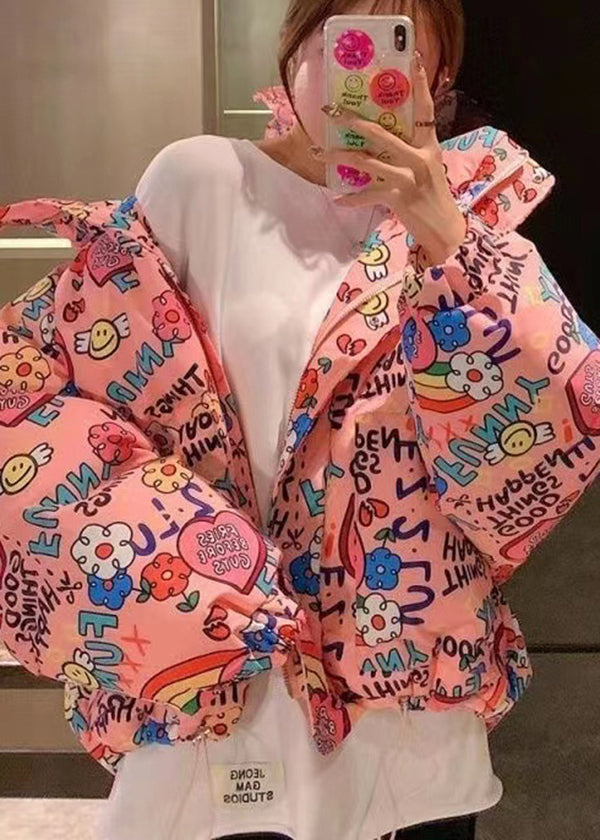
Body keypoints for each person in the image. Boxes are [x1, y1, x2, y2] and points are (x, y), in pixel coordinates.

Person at [96, 1, 592, 839]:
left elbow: (549, 433)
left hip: (410, 700)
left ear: (435, 78)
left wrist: (446, 236)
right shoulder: (200, 182)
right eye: (338, 43)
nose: (357, 78)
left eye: (394, 49)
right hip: (231, 678)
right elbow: (107, 408)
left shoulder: (474, 216)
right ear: (295, 52)